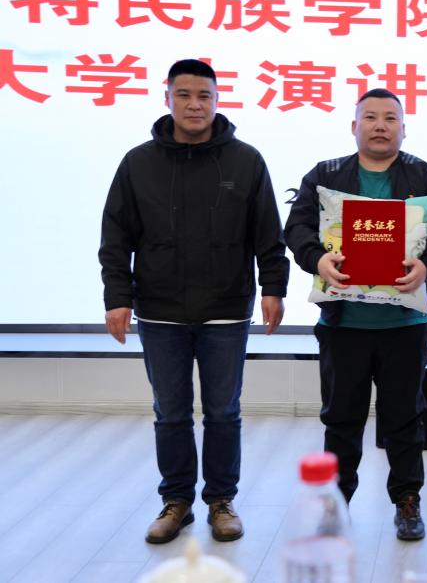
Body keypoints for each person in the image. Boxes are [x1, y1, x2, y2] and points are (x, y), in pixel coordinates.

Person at [99, 58, 289, 544]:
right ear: (167, 99)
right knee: (171, 412)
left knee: (223, 411)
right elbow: (116, 237)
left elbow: (268, 234)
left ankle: (221, 501)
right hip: (159, 308)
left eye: (204, 95)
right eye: (183, 95)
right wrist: (117, 297)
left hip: (226, 307)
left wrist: (273, 288)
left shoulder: (245, 160)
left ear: (217, 100)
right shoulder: (138, 163)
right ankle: (176, 501)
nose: (194, 105)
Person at [284, 88, 427, 541]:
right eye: (371, 117)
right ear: (354, 126)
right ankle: (335, 506)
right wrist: (317, 258)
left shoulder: (425, 175)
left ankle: (407, 500)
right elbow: (297, 227)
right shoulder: (325, 176)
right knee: (341, 420)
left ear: (404, 128)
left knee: (405, 419)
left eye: (390, 118)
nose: (381, 125)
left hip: (406, 324)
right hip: (343, 324)